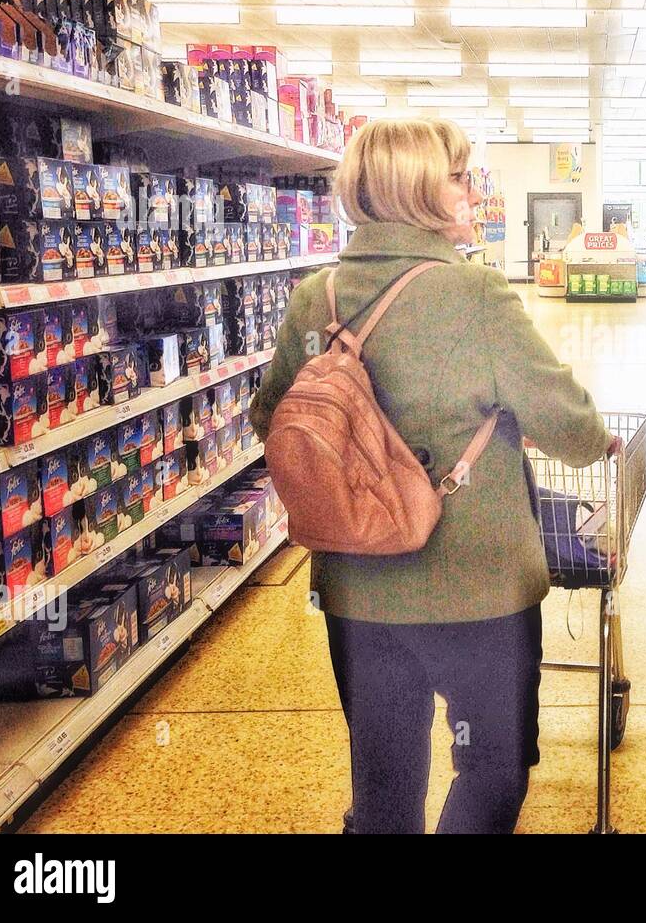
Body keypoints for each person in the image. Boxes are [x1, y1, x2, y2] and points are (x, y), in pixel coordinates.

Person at [250, 118, 614, 834]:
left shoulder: (314, 298)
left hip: (357, 589)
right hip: (476, 588)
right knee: (491, 767)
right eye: (457, 175)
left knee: (384, 787)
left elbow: (275, 422)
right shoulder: (475, 295)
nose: (470, 189)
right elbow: (573, 428)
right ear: (417, 189)